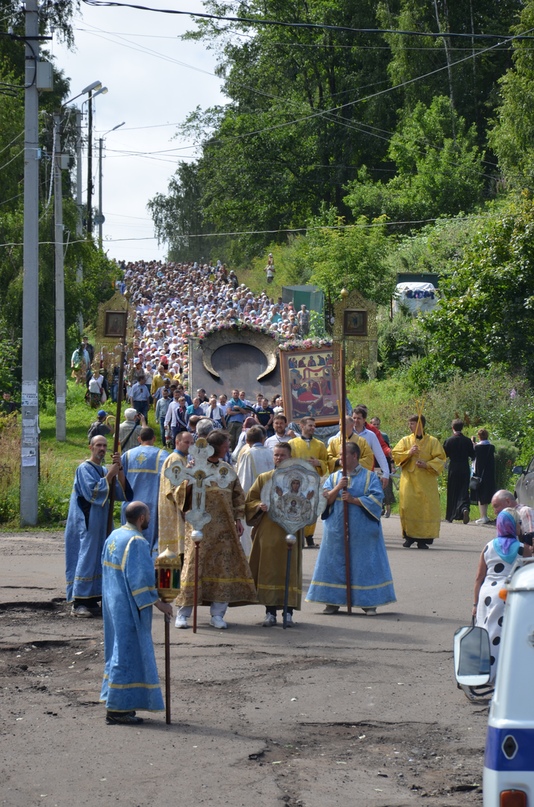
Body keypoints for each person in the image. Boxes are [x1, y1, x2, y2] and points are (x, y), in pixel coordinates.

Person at [174, 430, 257, 629]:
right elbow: (180, 496)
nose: (228, 449)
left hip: (225, 529)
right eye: (225, 445)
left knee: (223, 568)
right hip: (199, 529)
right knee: (193, 567)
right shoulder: (194, 467)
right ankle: (183, 613)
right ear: (214, 447)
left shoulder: (227, 469)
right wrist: (189, 479)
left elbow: (238, 495)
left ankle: (218, 614)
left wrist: (238, 518)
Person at [100, 501, 173, 725]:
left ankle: (117, 701)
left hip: (113, 603)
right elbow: (139, 580)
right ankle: (117, 709)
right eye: (148, 515)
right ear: (142, 518)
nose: (150, 518)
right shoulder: (137, 541)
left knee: (117, 650)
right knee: (127, 654)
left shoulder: (114, 535)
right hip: (129, 608)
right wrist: (160, 604)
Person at [306, 442, 396, 615]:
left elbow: (377, 499)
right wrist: (338, 488)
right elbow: (324, 500)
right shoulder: (334, 477)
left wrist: (354, 500)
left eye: (343, 454)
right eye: (339, 454)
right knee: (334, 563)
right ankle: (332, 600)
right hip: (336, 529)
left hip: (362, 531)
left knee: (363, 565)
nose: (340, 457)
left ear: (354, 456)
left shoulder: (369, 477)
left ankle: (368, 602)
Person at [64, 435, 132, 617]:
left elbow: (121, 493)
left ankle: (92, 599)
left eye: (104, 446)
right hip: (86, 523)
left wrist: (119, 469)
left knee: (100, 558)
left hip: (101, 523)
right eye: (98, 445)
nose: (102, 448)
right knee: (86, 557)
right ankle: (79, 601)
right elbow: (93, 493)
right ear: (91, 447)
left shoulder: (103, 470)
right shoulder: (84, 468)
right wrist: (110, 474)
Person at [245, 442, 302, 627]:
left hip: (290, 531)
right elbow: (250, 500)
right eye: (276, 455)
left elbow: (309, 502)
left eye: (282, 455)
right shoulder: (264, 478)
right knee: (268, 570)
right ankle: (270, 612)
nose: (279, 458)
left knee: (288, 570)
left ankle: (288, 612)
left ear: (290, 457)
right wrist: (258, 506)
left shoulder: (299, 480)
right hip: (268, 530)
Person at [472, 508, 531, 683]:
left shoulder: (488, 547)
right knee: (508, 636)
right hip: (510, 594)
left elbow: (479, 577)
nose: (521, 526)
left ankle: (484, 673)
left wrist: (475, 604)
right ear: (514, 526)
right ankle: (504, 676)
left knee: (486, 634)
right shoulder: (523, 549)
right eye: (519, 523)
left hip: (488, 595)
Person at [391, 414, 446, 549]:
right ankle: (409, 537)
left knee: (426, 509)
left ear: (420, 425)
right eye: (409, 423)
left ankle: (423, 540)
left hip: (426, 483)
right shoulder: (405, 440)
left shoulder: (433, 441)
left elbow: (441, 459)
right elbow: (395, 455)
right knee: (408, 507)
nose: (409, 426)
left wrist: (427, 464)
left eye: (412, 423)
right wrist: (409, 453)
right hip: (409, 481)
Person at [120, 427, 169, 557]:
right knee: (149, 540)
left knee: (129, 538)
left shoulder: (127, 455)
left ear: (139, 439)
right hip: (151, 504)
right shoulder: (162, 455)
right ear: (154, 438)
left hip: (130, 504)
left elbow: (120, 479)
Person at [289, 416, 329, 547]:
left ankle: (310, 538)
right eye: (310, 425)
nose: (313, 428)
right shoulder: (292, 443)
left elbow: (326, 462)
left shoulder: (320, 445)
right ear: (302, 426)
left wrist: (318, 463)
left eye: (314, 426)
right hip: (296, 483)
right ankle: (297, 538)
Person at [158, 430, 195, 570]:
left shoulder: (182, 459)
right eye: (186, 442)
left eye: (192, 443)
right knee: (176, 551)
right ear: (177, 442)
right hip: (175, 510)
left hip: (176, 509)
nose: (190, 446)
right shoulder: (175, 460)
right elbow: (175, 489)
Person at [236, 426, 274, 555]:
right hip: (270, 499)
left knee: (249, 535)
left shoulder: (248, 454)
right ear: (263, 439)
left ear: (247, 441)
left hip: (254, 501)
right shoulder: (271, 452)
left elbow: (244, 480)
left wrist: (240, 501)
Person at [443, 419, 476, 524]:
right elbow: (473, 455)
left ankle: (450, 515)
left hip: (453, 467)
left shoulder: (449, 441)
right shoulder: (467, 441)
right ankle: (464, 508)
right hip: (464, 467)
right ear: (462, 428)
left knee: (452, 490)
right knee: (464, 490)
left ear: (452, 427)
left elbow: (444, 455)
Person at [370, 415, 395, 518]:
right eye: (374, 424)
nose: (376, 426)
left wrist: (392, 465)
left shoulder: (384, 436)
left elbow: (388, 451)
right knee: (376, 486)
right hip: (373, 463)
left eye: (377, 424)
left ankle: (388, 507)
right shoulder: (368, 434)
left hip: (384, 463)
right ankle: (380, 507)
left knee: (386, 487)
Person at [472, 429, 497, 524]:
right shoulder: (491, 447)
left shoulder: (477, 447)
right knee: (488, 493)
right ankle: (492, 515)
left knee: (481, 495)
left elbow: (473, 457)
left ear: (479, 436)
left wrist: (473, 444)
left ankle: (483, 516)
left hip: (480, 475)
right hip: (489, 474)